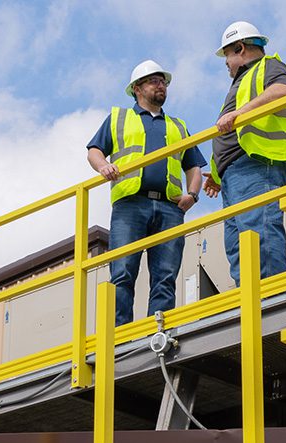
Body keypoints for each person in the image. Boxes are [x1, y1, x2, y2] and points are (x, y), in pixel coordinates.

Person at [87, 60, 205, 326]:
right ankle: (119, 337)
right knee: (123, 272)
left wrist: (193, 195)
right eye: (154, 81)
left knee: (165, 275)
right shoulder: (119, 118)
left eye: (162, 81)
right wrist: (104, 166)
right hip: (130, 206)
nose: (161, 85)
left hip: (169, 208)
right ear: (137, 89)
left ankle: (157, 332)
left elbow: (194, 166)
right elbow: (94, 150)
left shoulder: (178, 125)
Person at [203, 21, 286, 286]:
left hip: (257, 163)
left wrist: (239, 113)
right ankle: (249, 299)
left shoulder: (270, 67)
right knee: (237, 244)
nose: (228, 70)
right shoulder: (243, 81)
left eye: (228, 61)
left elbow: (282, 91)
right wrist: (216, 173)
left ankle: (271, 298)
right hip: (235, 173)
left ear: (240, 48)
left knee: (259, 233)